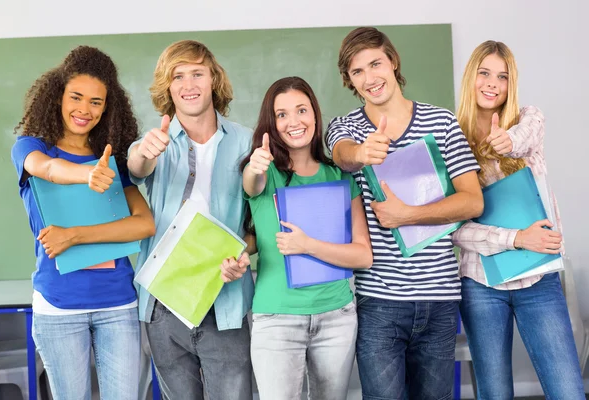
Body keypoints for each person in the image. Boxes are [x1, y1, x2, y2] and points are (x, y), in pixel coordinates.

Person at [326, 27, 484, 399]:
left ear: (393, 61)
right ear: (349, 80)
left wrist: (407, 215)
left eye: (375, 64)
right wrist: (363, 153)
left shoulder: (442, 123)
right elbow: (341, 153)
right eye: (357, 72)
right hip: (379, 301)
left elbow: (472, 201)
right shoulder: (346, 127)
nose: (369, 78)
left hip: (439, 298)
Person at [11, 46, 155, 400]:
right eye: (76, 97)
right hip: (58, 305)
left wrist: (74, 236)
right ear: (58, 96)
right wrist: (86, 173)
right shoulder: (31, 147)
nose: (84, 109)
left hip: (118, 305)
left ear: (107, 107)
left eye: (96, 102)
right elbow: (45, 168)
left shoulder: (112, 161)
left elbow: (143, 224)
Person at [453, 40, 585, 399]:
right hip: (480, 284)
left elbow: (524, 136)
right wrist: (516, 238)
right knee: (494, 393)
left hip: (537, 279)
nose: (492, 83)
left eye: (503, 76)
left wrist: (506, 141)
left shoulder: (529, 120)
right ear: (471, 77)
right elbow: (456, 230)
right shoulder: (451, 141)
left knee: (568, 392)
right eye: (484, 73)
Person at [126, 39, 254, 400]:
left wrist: (243, 255)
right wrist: (143, 154)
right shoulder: (156, 140)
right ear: (168, 88)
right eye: (177, 76)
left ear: (213, 78)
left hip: (223, 299)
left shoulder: (246, 142)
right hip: (164, 302)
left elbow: (256, 225)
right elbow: (137, 167)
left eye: (197, 73)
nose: (188, 84)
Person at [241, 76, 372, 400]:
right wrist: (255, 164)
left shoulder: (341, 175)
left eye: (301, 110)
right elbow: (251, 183)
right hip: (277, 319)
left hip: (337, 316)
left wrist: (307, 245)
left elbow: (363, 256)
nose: (294, 121)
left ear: (315, 114)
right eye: (282, 114)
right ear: (271, 123)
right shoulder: (264, 172)